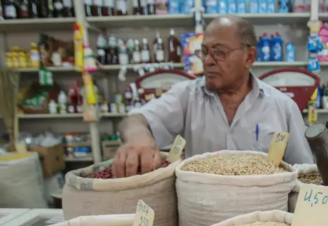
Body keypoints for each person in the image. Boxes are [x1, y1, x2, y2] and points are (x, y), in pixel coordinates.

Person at [112, 15, 314, 177]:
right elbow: (136, 119)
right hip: (201, 214)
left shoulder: (283, 107)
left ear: (249, 56)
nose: (208, 60)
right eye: (205, 51)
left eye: (219, 52)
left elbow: (305, 173)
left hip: (264, 216)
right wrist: (138, 137)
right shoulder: (188, 96)